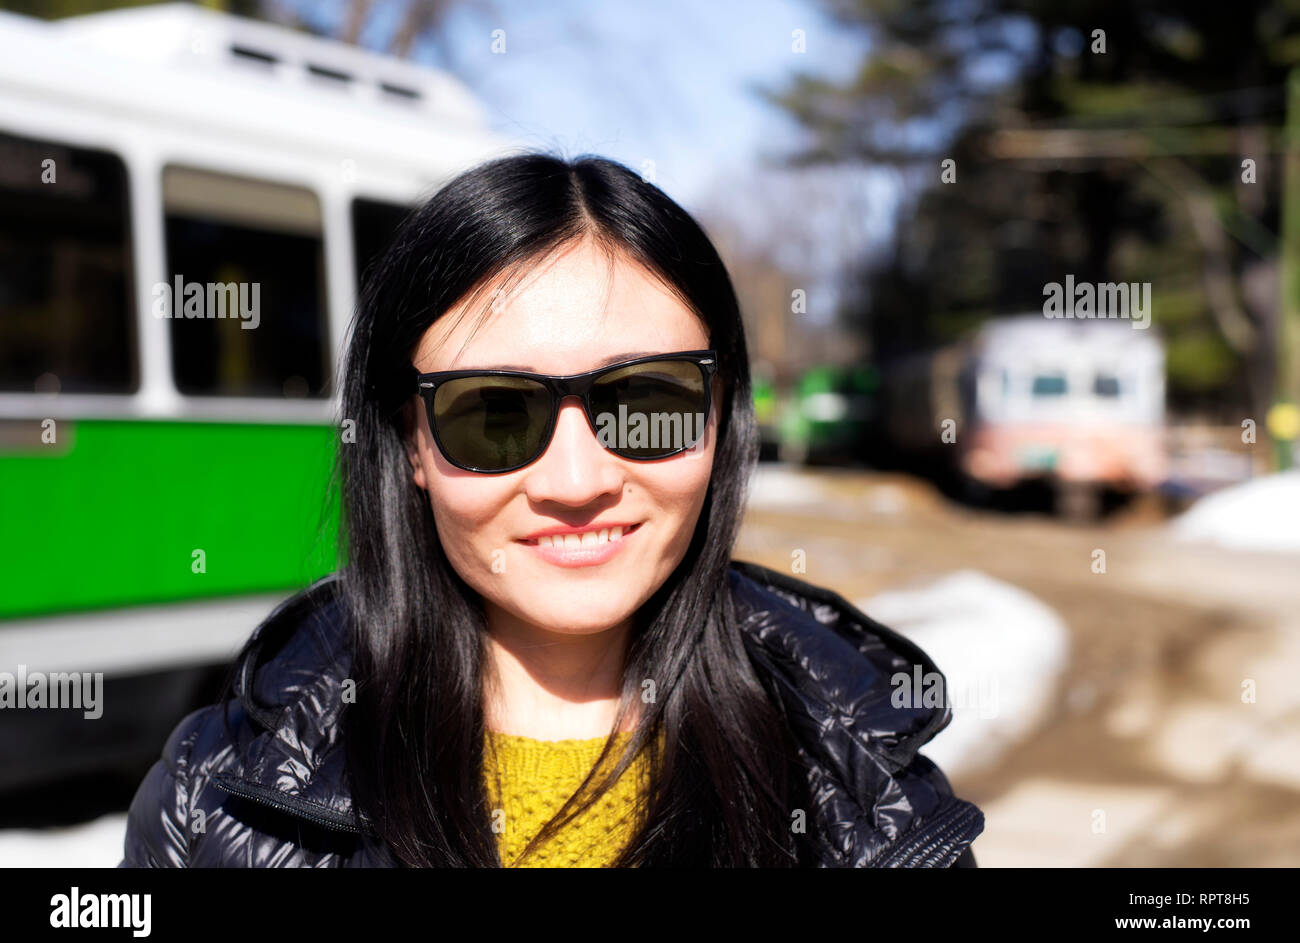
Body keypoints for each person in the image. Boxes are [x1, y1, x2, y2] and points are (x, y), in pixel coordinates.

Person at [119, 152, 984, 867]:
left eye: (644, 402)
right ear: (410, 442)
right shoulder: (213, 795)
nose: (576, 479)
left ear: (721, 419)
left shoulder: (874, 801)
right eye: (495, 414)